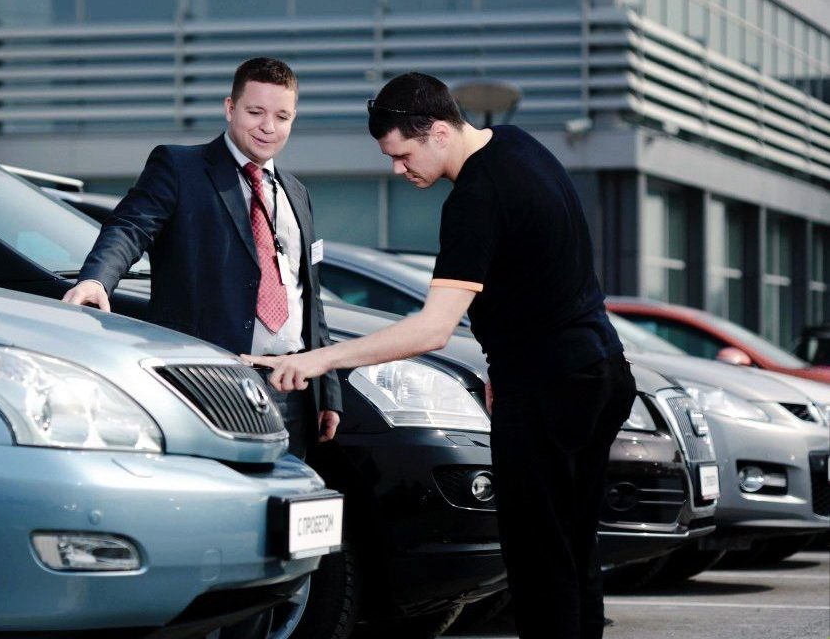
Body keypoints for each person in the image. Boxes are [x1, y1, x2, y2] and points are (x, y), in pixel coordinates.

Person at [246, 72, 635, 639]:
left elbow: (432, 330)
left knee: (537, 560)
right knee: (573, 544)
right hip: (600, 373)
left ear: (436, 132)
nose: (397, 171)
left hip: (550, 390)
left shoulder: (475, 198)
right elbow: (545, 271)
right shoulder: (520, 146)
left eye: (402, 155)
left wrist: (317, 360)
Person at [62, 57, 342, 458]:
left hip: (294, 392)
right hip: (209, 384)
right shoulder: (181, 167)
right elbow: (130, 227)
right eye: (256, 112)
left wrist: (327, 390)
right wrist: (96, 280)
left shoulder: (296, 192)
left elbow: (308, 297)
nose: (268, 126)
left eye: (282, 116)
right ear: (230, 108)